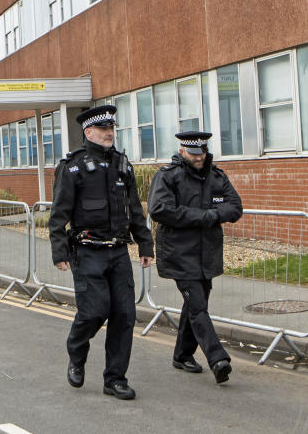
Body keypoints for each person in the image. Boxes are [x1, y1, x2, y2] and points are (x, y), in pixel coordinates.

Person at [49, 105, 154, 400]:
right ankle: (77, 355)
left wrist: (145, 243)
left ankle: (115, 379)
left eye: (112, 128)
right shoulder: (73, 167)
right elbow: (59, 214)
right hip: (87, 251)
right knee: (94, 312)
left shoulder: (123, 165)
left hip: (118, 252)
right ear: (88, 132)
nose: (109, 133)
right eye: (103, 129)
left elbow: (134, 209)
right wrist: (60, 251)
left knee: (124, 315)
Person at [148, 130, 243, 384]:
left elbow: (235, 207)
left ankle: (182, 355)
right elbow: (161, 210)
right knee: (198, 306)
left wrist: (210, 215)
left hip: (207, 254)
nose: (198, 158)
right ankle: (218, 358)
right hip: (179, 254)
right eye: (193, 153)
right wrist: (207, 216)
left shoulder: (216, 176)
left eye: (201, 153)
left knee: (194, 305)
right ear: (182, 152)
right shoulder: (168, 176)